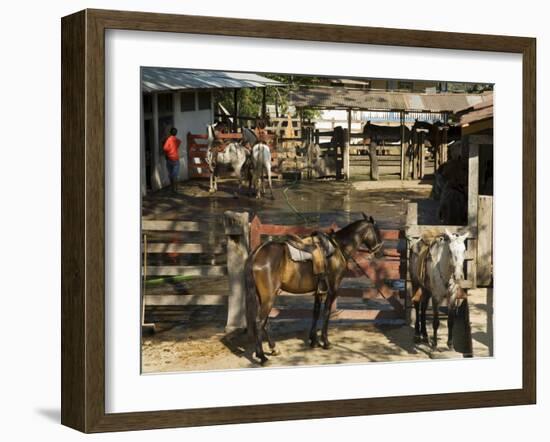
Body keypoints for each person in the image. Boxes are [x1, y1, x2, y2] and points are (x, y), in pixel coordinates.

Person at [163, 127, 181, 192]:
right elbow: (179, 143)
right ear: (176, 133)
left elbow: (165, 148)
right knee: (175, 175)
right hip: (176, 159)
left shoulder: (168, 140)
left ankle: (172, 188)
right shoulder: (177, 140)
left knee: (171, 175)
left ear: (170, 132)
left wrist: (168, 152)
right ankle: (175, 189)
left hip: (169, 159)